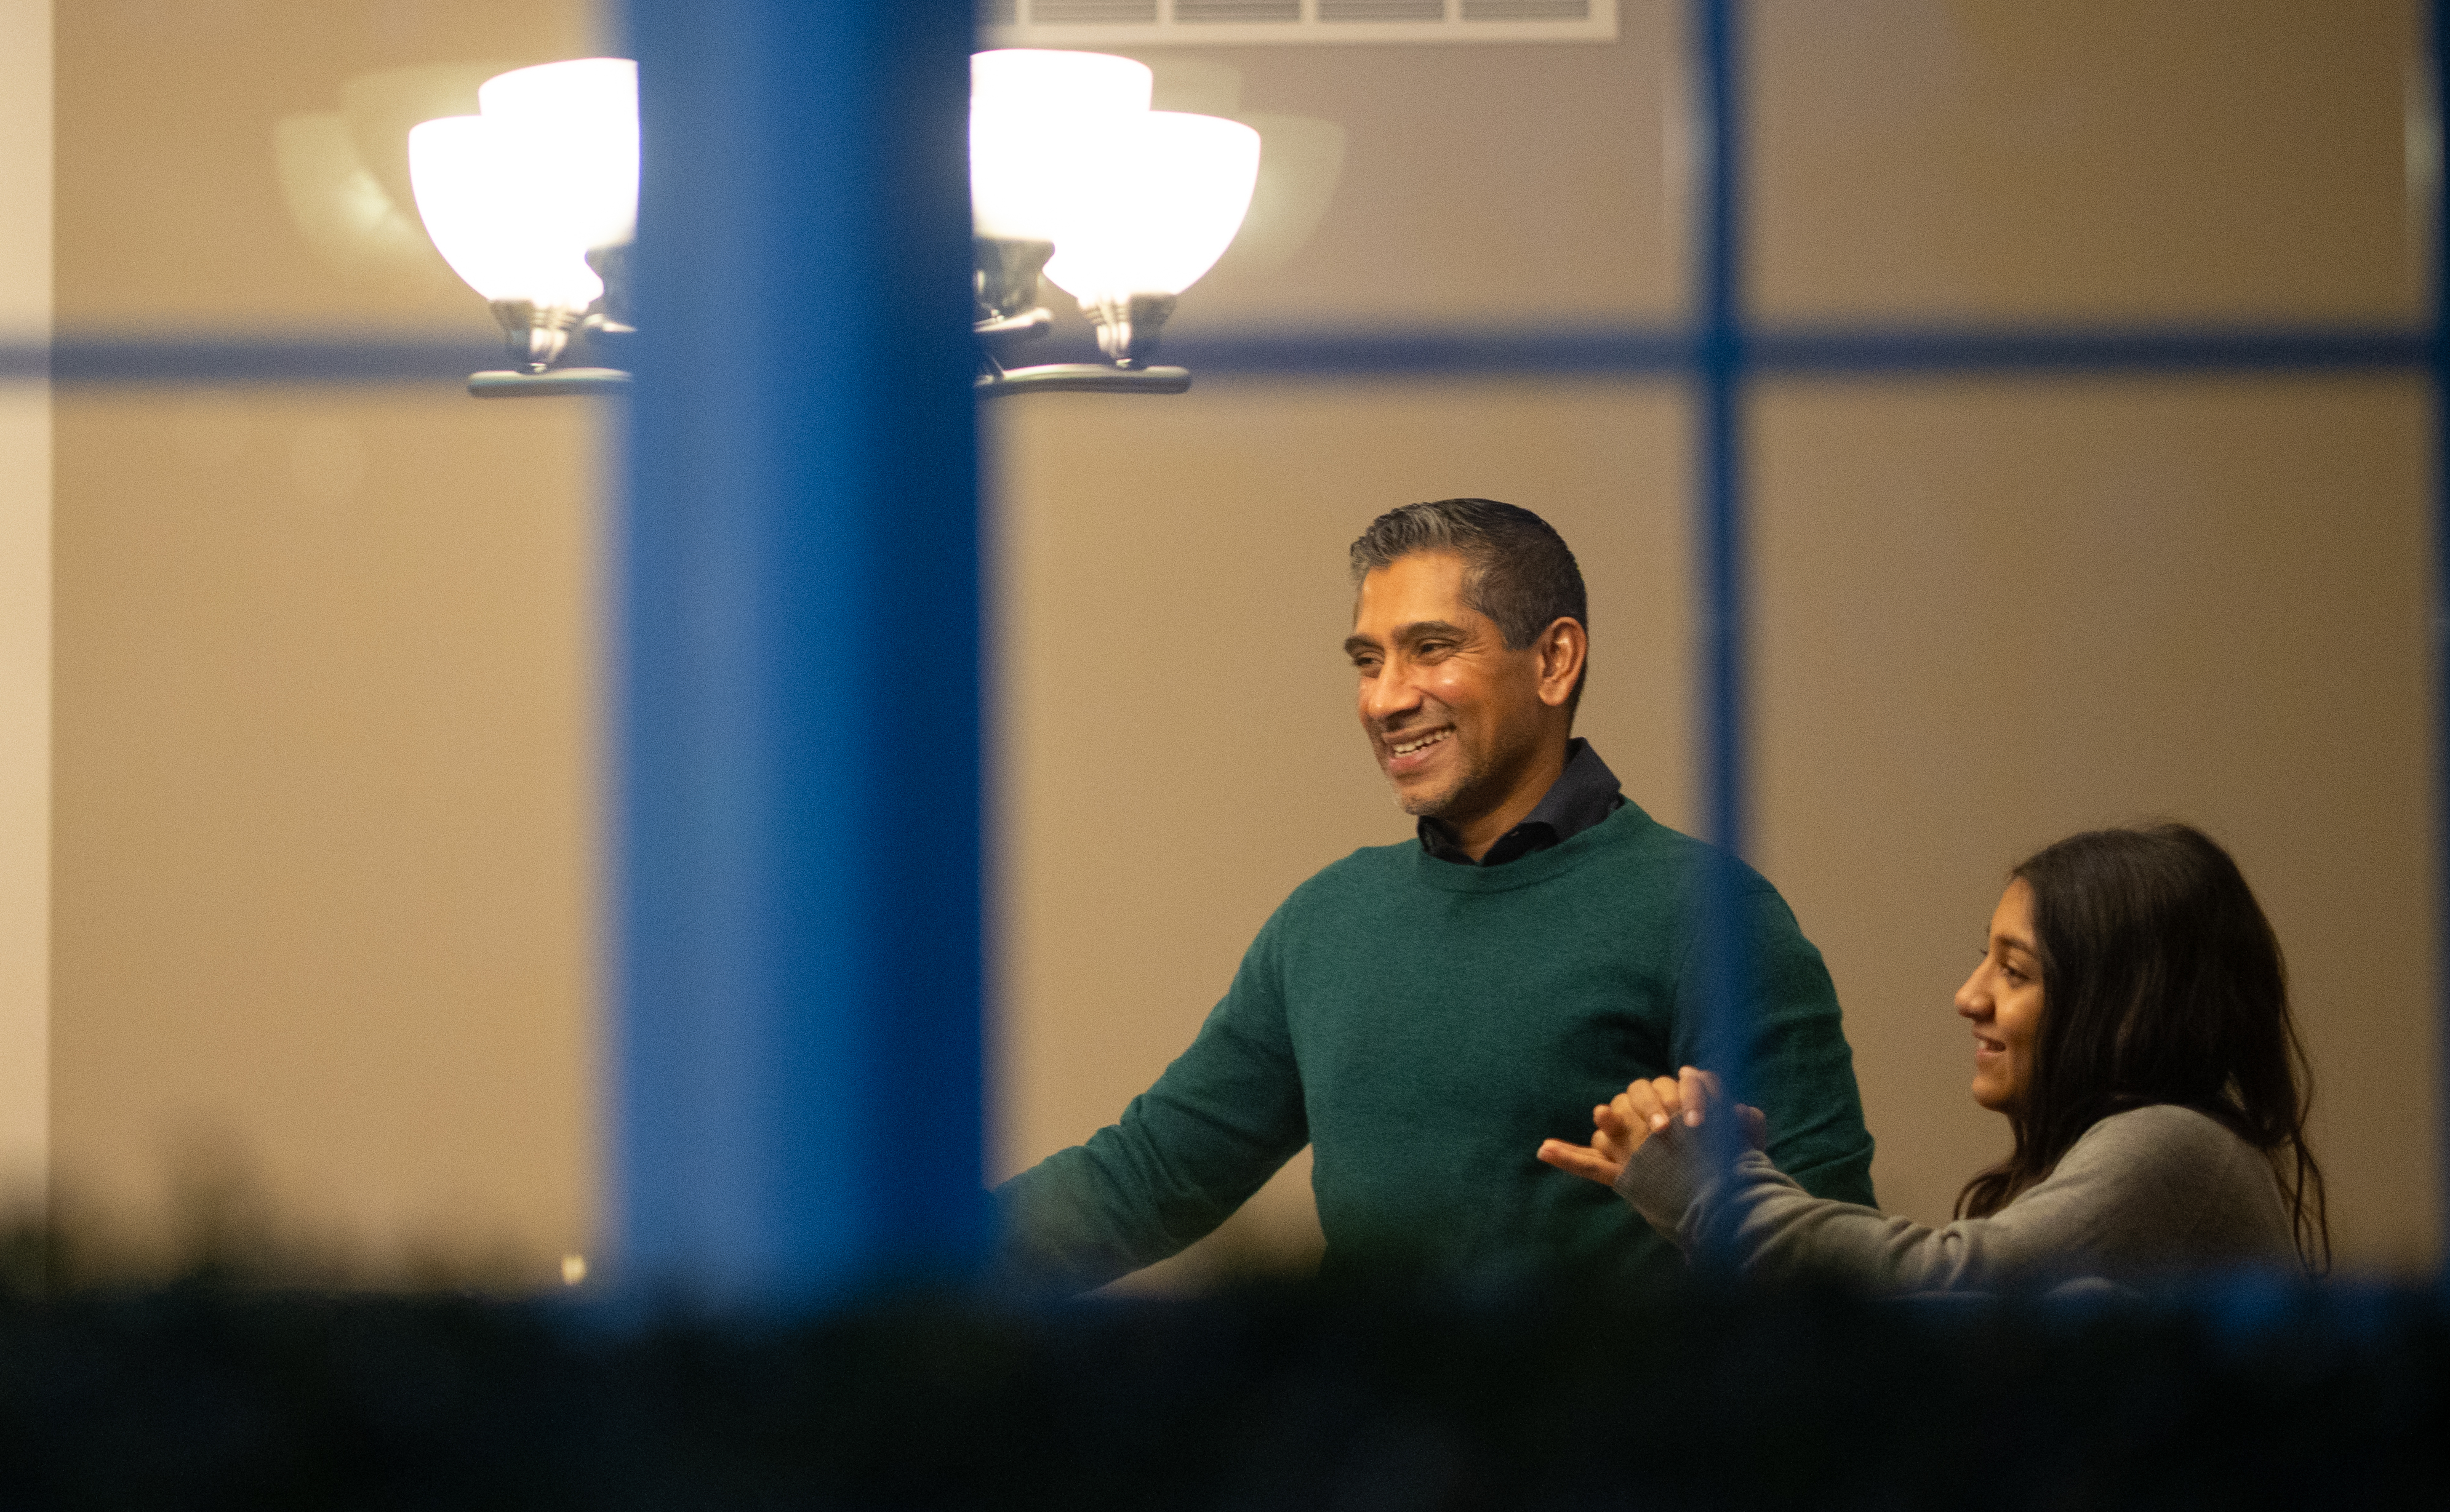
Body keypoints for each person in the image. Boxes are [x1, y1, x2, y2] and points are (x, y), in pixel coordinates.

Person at [995, 498, 1873, 1286]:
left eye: (1431, 649)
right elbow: (1149, 1175)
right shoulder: (1327, 920)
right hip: (1361, 1452)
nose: (1385, 699)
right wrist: (901, 1254)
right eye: (1367, 660)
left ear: (1556, 660)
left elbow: (1835, 1264)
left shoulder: (1709, 914)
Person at [1541, 823, 2325, 1292]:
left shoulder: (2172, 1144)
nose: (1969, 996)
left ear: (2129, 1007)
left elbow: (1942, 1286)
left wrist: (1720, 1190)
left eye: (2015, 972)